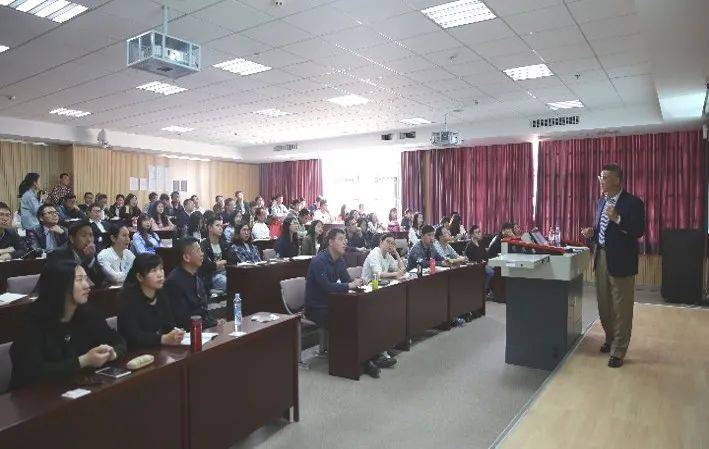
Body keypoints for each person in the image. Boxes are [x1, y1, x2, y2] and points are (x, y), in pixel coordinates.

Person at [9, 258, 126, 389]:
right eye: (79, 280)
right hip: (36, 394)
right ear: (59, 285)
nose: (87, 285)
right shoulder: (33, 322)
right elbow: (31, 371)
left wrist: (112, 354)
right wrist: (83, 361)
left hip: (77, 387)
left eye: (86, 279)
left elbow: (118, 340)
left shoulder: (89, 314)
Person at [581, 164, 645, 369]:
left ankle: (619, 350)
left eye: (606, 177)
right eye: (600, 177)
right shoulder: (601, 202)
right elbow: (602, 230)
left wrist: (617, 218)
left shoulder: (633, 203)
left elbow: (638, 230)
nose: (602, 181)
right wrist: (592, 232)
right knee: (604, 305)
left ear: (617, 180)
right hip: (601, 256)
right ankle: (610, 339)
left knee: (621, 308)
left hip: (622, 260)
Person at [304, 229, 387, 378]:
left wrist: (358, 282)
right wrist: (349, 285)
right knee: (348, 321)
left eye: (345, 239)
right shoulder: (318, 261)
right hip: (316, 307)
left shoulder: (340, 260)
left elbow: (346, 282)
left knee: (364, 314)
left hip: (335, 304)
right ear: (330, 242)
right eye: (341, 239)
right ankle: (365, 362)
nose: (345, 242)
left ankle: (373, 355)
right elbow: (327, 287)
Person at [118, 253, 184, 348]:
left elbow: (168, 323)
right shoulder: (128, 299)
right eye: (153, 270)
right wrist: (162, 339)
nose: (160, 274)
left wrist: (175, 332)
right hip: (136, 352)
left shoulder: (161, 293)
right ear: (140, 277)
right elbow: (132, 337)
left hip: (159, 349)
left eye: (161, 269)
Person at [164, 237, 224, 329]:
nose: (202, 254)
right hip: (186, 332)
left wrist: (214, 322)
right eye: (198, 251)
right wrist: (211, 324)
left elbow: (202, 310)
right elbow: (182, 318)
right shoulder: (174, 282)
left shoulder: (196, 278)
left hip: (201, 327)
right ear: (186, 257)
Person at [50, 220, 107, 288]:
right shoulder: (58, 254)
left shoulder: (91, 252)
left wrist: (90, 260)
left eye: (91, 235)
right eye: (84, 235)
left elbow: (101, 281)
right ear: (72, 239)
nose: (89, 240)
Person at [199, 216, 228, 292]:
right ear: (210, 228)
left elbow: (230, 259)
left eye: (221, 226)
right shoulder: (204, 245)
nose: (220, 228)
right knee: (230, 283)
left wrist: (220, 263)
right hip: (211, 276)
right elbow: (206, 265)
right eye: (217, 225)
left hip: (225, 272)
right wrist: (219, 263)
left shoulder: (224, 243)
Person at [465, 224, 494, 297]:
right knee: (490, 272)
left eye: (479, 232)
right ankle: (485, 290)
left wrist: (486, 261)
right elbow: (470, 259)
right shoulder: (469, 246)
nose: (479, 234)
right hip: (476, 266)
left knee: (496, 267)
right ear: (472, 235)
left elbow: (485, 255)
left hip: (484, 263)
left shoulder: (481, 243)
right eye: (477, 232)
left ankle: (490, 290)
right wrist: (481, 262)